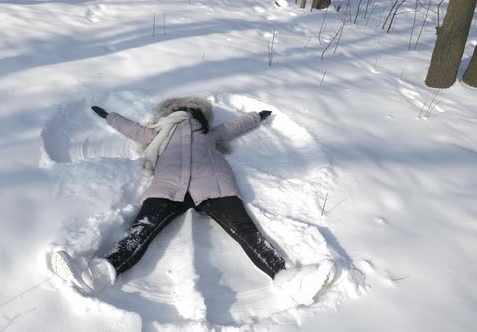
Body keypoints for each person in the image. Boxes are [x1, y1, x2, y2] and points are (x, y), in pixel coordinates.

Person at [51, 97, 336, 304]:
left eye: (191, 111)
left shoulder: (210, 134)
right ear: (170, 114)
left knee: (248, 233)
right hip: (168, 186)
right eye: (181, 110)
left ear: (200, 117)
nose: (186, 114)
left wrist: (257, 117)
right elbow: (132, 129)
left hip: (213, 184)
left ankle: (292, 281)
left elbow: (235, 126)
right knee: (139, 233)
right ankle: (97, 274)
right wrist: (109, 116)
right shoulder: (159, 134)